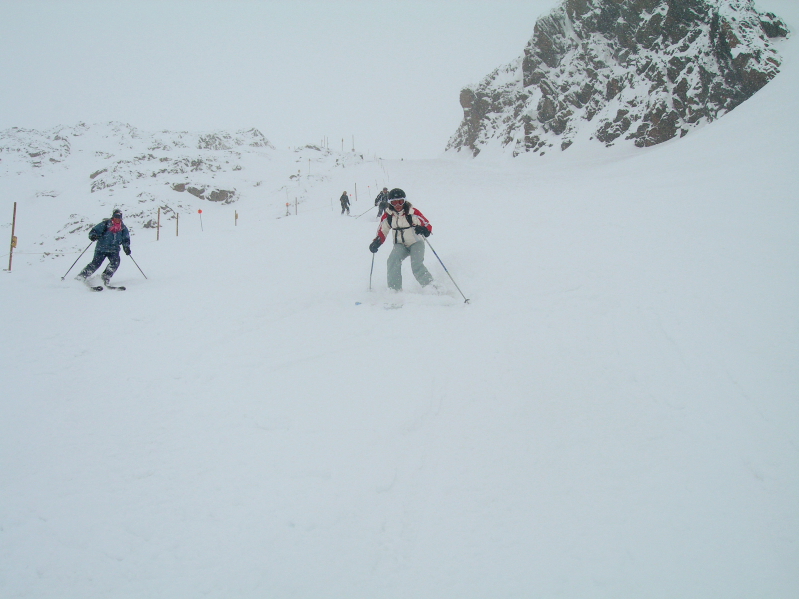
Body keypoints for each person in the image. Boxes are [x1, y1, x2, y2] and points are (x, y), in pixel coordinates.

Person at [368, 188, 433, 291]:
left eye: (400, 201)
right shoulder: (388, 215)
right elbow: (382, 230)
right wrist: (377, 242)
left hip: (416, 242)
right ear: (390, 203)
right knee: (392, 261)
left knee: (416, 265)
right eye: (394, 202)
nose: (397, 205)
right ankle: (395, 290)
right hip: (400, 244)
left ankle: (431, 287)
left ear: (405, 201)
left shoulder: (412, 212)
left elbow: (427, 225)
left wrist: (424, 230)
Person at [76, 208, 131, 286]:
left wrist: (126, 247)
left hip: (114, 250)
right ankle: (82, 276)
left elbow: (126, 238)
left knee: (115, 263)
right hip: (101, 248)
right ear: (113, 216)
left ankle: (105, 277)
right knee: (96, 263)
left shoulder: (123, 228)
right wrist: (93, 236)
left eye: (119, 217)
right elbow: (94, 231)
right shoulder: (105, 224)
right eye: (116, 216)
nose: (117, 218)